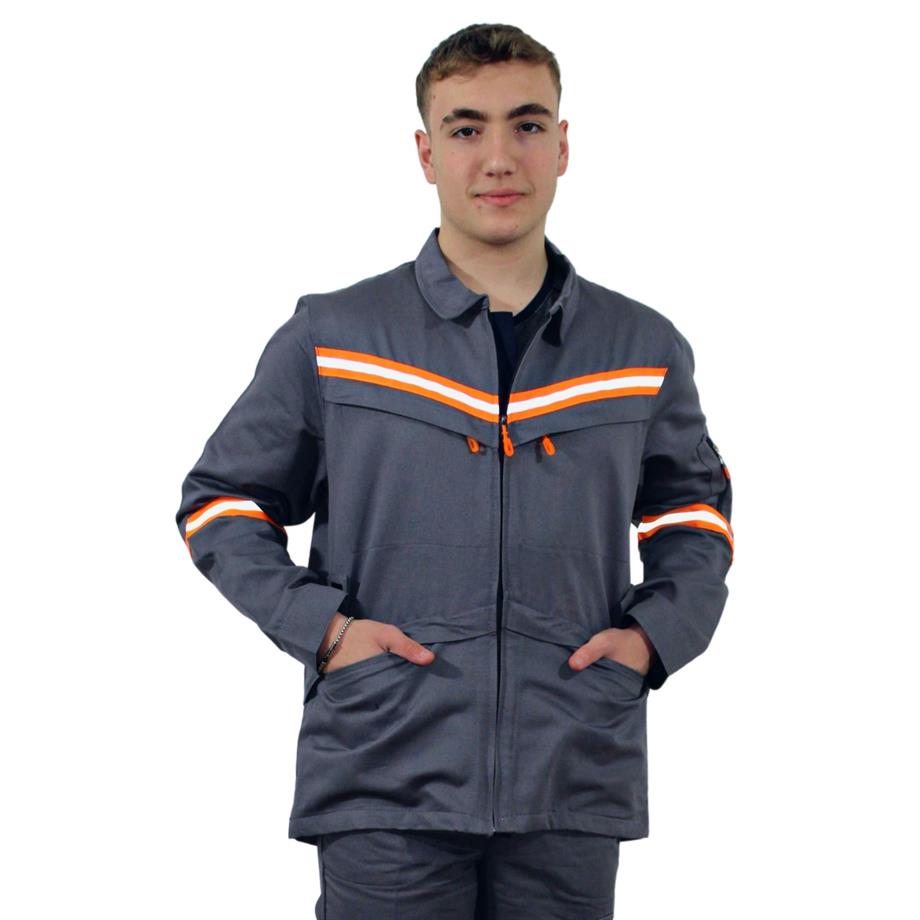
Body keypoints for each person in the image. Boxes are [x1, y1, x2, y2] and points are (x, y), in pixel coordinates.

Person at [175, 22, 733, 920]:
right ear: (427, 153)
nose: (499, 157)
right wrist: (325, 631)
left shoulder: (641, 348)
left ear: (563, 146)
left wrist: (653, 638)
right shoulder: (336, 337)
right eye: (467, 128)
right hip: (383, 766)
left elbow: (692, 515)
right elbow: (223, 503)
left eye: (527, 124)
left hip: (571, 769)